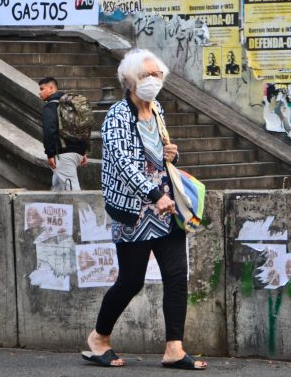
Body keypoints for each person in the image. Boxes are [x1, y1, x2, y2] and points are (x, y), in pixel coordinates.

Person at [83, 49, 207, 370]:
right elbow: (124, 163)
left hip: (166, 209)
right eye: (146, 75)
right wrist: (153, 194)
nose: (153, 81)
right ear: (129, 80)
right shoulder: (117, 117)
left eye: (157, 75)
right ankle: (98, 339)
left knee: (177, 275)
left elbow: (156, 156)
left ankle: (174, 349)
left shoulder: (157, 109)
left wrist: (171, 154)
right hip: (136, 211)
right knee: (131, 281)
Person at [38, 77, 87, 191]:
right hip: (77, 153)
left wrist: (50, 154)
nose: (39, 92)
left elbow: (49, 130)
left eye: (42, 89)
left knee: (72, 192)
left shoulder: (50, 107)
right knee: (57, 189)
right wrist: (83, 151)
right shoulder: (71, 105)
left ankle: (80, 209)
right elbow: (82, 127)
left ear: (51, 88)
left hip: (63, 155)